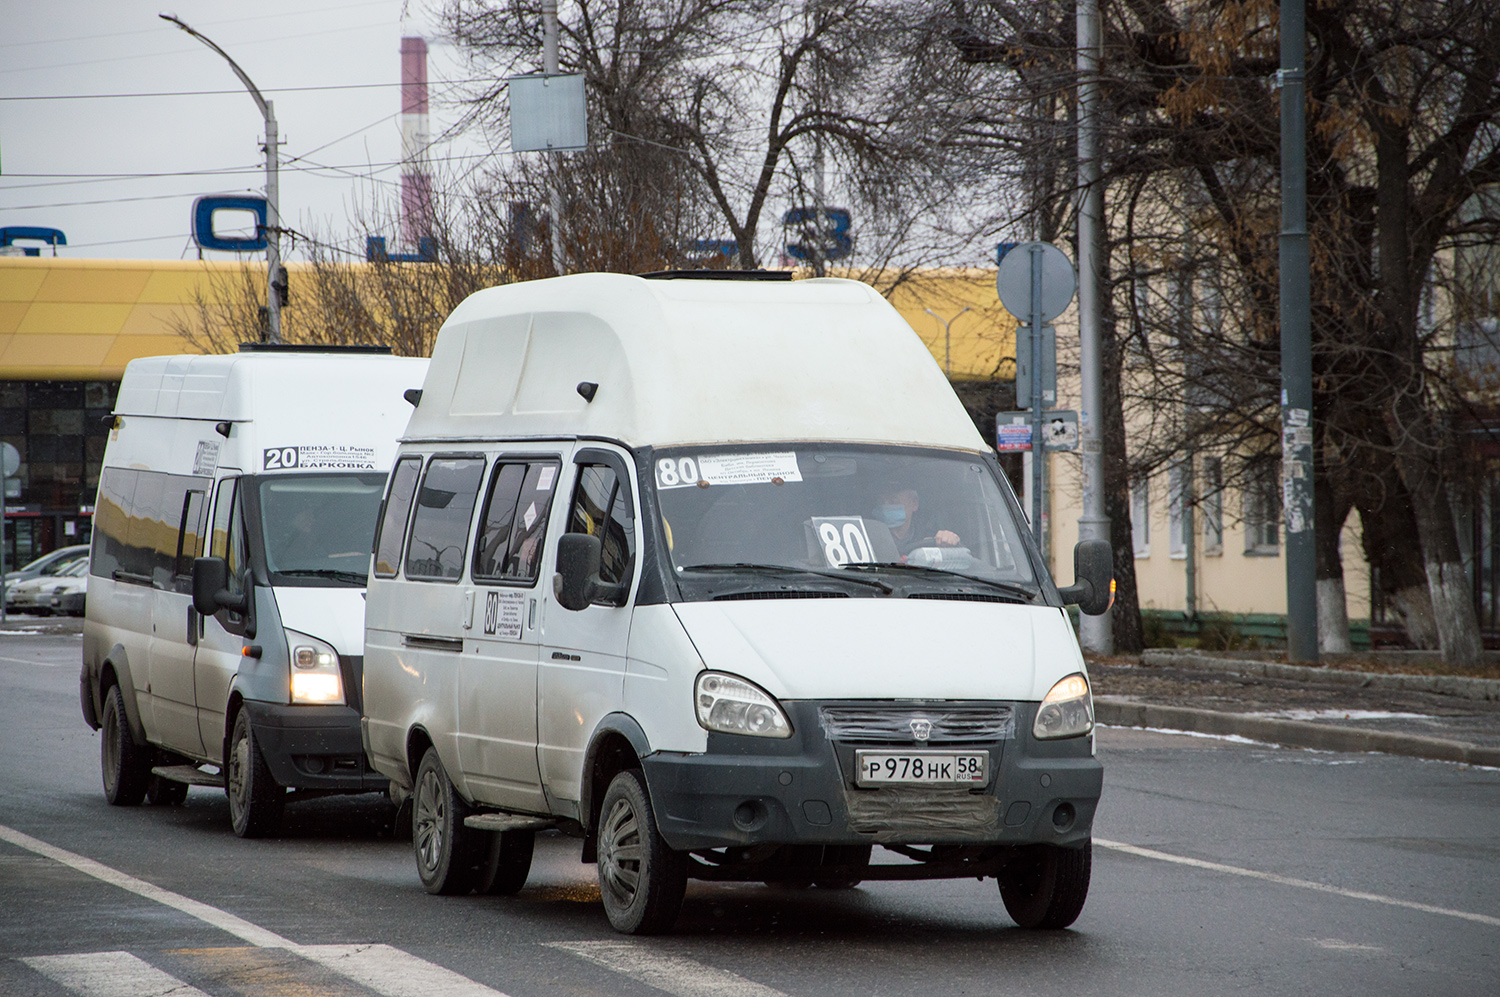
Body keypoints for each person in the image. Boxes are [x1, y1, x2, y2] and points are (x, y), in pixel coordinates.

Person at [872, 485, 960, 554]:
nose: (885, 506)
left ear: (914, 504)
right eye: (881, 501)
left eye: (893, 501)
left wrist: (948, 540)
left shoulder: (928, 537)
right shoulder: (870, 537)